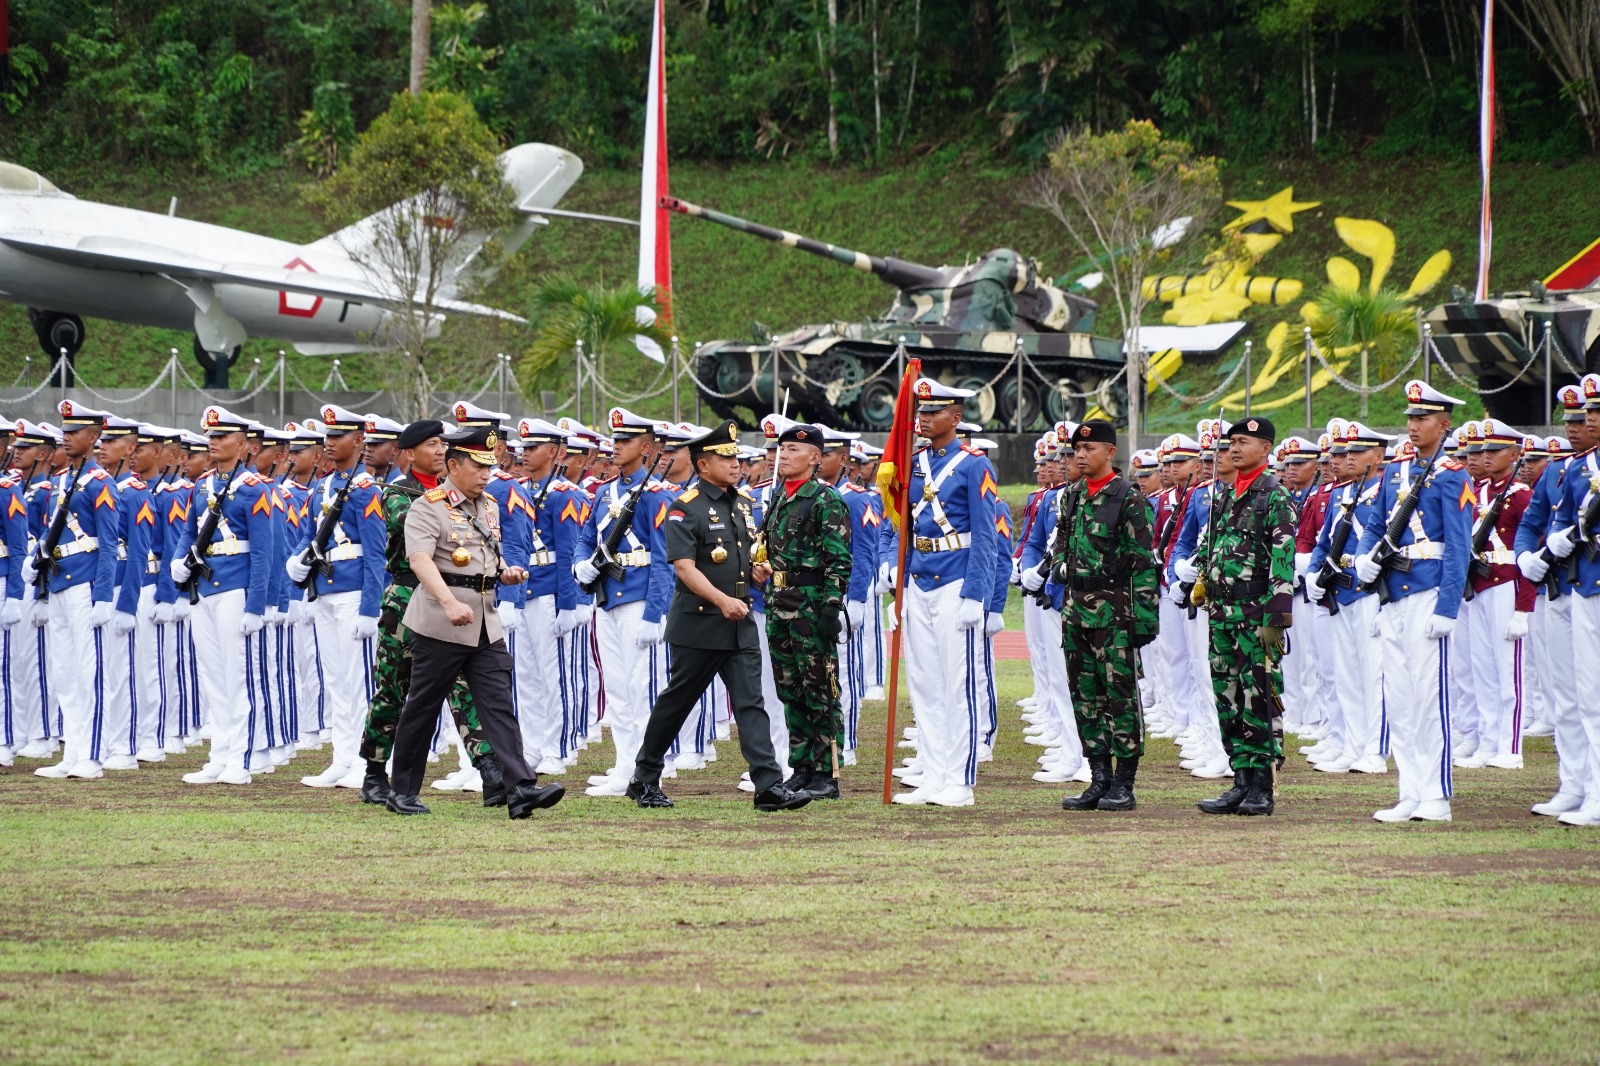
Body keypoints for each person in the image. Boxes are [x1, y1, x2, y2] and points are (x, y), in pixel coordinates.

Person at [626, 420, 812, 812]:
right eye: (724, 458)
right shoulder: (684, 508)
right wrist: (721, 600)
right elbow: (684, 567)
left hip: (739, 619)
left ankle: (768, 785)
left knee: (751, 702)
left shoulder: (743, 505)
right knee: (677, 703)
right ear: (702, 464)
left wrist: (757, 575)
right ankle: (644, 777)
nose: (734, 464)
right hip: (699, 622)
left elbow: (742, 561)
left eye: (736, 458)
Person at [385, 425, 564, 818]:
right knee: (423, 705)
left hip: (484, 619)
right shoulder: (427, 505)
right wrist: (448, 602)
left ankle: (520, 787)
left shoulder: (488, 506)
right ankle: (402, 790)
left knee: (498, 704)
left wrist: (506, 572)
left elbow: (488, 556)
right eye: (478, 467)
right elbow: (419, 561)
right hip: (440, 621)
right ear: (453, 465)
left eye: (490, 466)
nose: (486, 474)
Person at [355, 419, 496, 807]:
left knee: (464, 687)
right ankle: (374, 772)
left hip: (454, 596)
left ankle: (490, 770)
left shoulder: (463, 495)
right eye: (431, 444)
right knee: (394, 688)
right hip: (406, 596)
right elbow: (416, 528)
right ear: (408, 452)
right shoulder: (400, 493)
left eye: (442, 445)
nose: (438, 450)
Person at [1352, 380, 1473, 823]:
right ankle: (1410, 789)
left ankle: (1436, 795)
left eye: (1422, 418)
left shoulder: (1452, 475)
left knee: (1429, 698)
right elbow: (1375, 525)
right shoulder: (1396, 473)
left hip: (1427, 593)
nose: (1413, 425)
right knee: (1399, 699)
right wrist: (1364, 557)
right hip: (1393, 595)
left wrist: (1447, 607)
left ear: (1444, 424)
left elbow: (1460, 547)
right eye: (1410, 418)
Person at [891, 378, 998, 808]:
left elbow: (987, 536)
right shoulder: (912, 463)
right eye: (921, 412)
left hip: (956, 580)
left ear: (956, 417)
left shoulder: (975, 466)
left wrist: (977, 594)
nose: (924, 418)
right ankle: (933, 775)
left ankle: (960, 780)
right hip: (919, 579)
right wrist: (895, 583)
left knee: (960, 687)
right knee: (926, 687)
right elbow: (898, 525)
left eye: (934, 412)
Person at [1042, 420, 1159, 811]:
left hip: (1116, 613)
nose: (1080, 454)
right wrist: (1059, 567)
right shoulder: (1072, 495)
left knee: (1120, 696)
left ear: (1110, 452)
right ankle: (1099, 777)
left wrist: (1144, 619)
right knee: (1085, 696)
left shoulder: (1129, 497)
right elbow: (1061, 541)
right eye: (1077, 448)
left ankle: (1124, 782)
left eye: (1089, 448)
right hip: (1076, 610)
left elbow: (1144, 563)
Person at [170, 405, 279, 785]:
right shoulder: (202, 486)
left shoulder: (255, 488)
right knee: (213, 675)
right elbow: (188, 531)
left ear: (243, 443)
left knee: (238, 676)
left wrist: (256, 604)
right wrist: (178, 562)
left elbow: (266, 551)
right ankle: (219, 754)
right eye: (210, 437)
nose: (213, 442)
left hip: (236, 587)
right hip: (204, 586)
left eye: (221, 437)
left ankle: (241, 758)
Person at [1195, 416, 1297, 817]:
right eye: (1231, 442)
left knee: (1260, 698)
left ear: (1265, 449)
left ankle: (1262, 786)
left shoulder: (1274, 496)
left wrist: (1277, 616)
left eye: (1243, 442)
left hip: (1255, 613)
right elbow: (1213, 547)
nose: (1234, 448)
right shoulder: (1223, 495)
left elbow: (1283, 559)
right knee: (1227, 697)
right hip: (1222, 611)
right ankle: (1239, 779)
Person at [285, 404, 387, 788]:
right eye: (327, 437)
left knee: (360, 683)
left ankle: (366, 762)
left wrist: (369, 607)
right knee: (336, 681)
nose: (329, 443)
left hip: (353, 593)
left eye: (337, 436)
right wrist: (296, 562)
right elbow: (307, 537)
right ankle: (342, 758)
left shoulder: (365, 488)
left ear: (359, 441)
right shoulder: (322, 488)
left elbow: (376, 553)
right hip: (324, 591)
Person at [758, 422, 853, 799]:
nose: (784, 454)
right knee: (790, 689)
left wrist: (832, 606)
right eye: (781, 449)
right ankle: (801, 766)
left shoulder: (825, 499)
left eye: (794, 450)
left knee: (820, 687)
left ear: (815, 458)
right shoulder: (779, 496)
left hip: (811, 605)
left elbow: (839, 559)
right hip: (778, 601)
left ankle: (827, 772)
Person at [27, 401, 122, 781]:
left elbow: (109, 544)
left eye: (74, 431)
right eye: (64, 431)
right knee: (66, 672)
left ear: (94, 436)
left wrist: (102, 596)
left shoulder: (100, 483)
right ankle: (74, 752)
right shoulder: (62, 482)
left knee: (90, 671)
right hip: (60, 582)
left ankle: (93, 756)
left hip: (85, 584)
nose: (65, 436)